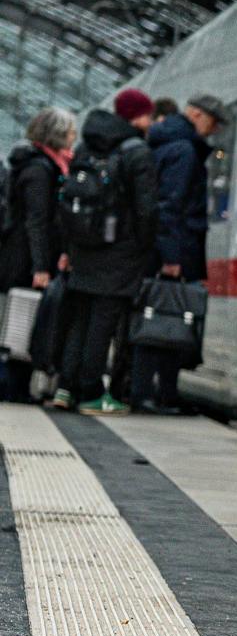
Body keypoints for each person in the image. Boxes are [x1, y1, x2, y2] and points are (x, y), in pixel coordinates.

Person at [55, 88, 159, 415]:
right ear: (136, 116)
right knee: (103, 322)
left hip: (84, 247)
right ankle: (91, 395)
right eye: (148, 115)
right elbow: (147, 209)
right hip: (120, 250)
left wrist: (71, 247)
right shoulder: (136, 151)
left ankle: (65, 389)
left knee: (80, 320)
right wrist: (143, 245)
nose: (151, 121)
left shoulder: (87, 146)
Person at [132, 93, 226, 414]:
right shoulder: (184, 151)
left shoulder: (165, 142)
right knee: (169, 322)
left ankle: (154, 392)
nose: (213, 130)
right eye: (212, 121)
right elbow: (170, 207)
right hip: (174, 250)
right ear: (196, 114)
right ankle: (155, 394)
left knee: (157, 319)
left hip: (161, 248)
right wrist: (172, 257)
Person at [1, 107, 75, 402]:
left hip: (23, 258)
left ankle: (16, 385)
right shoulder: (39, 169)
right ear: (55, 135)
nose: (73, 137)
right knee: (24, 323)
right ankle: (13, 387)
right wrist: (41, 266)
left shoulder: (37, 165)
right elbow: (36, 220)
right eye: (69, 132)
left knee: (22, 321)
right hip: (25, 261)